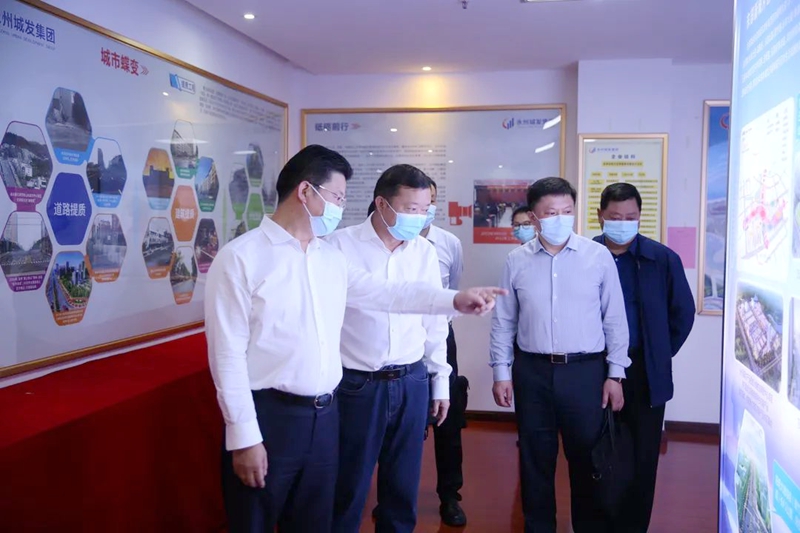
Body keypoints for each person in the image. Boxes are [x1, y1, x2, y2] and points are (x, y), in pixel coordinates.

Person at [205, 145, 505, 533]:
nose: (341, 207)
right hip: (272, 415)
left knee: (316, 521)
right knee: (256, 520)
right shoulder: (241, 258)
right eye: (337, 197)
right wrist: (243, 435)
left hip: (325, 415)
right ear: (305, 191)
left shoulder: (328, 257)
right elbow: (227, 356)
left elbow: (388, 294)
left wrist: (454, 300)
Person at [489, 177, 630, 533]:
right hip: (532, 371)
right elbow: (504, 321)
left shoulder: (597, 257)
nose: (560, 219)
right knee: (535, 459)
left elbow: (615, 319)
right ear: (534, 217)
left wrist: (615, 374)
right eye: (551, 213)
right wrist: (501, 372)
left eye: (567, 211)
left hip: (585, 373)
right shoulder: (516, 261)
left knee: (587, 460)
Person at [327, 165, 451, 533]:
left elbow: (434, 319)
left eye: (425, 209)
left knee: (402, 488)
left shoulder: (424, 251)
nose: (419, 218)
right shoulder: (339, 246)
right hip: (357, 384)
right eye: (411, 209)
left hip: (411, 380)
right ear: (382, 204)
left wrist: (440, 381)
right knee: (348, 485)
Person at [594, 183, 695, 533]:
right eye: (615, 217)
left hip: (645, 373)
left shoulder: (662, 259)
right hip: (594, 371)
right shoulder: (586, 256)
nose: (623, 223)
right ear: (600, 216)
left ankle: (633, 527)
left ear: (640, 217)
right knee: (594, 453)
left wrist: (658, 353)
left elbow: (683, 314)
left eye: (631, 217)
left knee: (642, 458)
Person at [422, 179, 468, 527]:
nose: (427, 207)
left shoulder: (448, 243)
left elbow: (452, 288)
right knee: (400, 420)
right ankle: (393, 493)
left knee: (447, 419)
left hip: (441, 336)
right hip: (400, 342)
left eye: (432, 200)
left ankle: (450, 495)